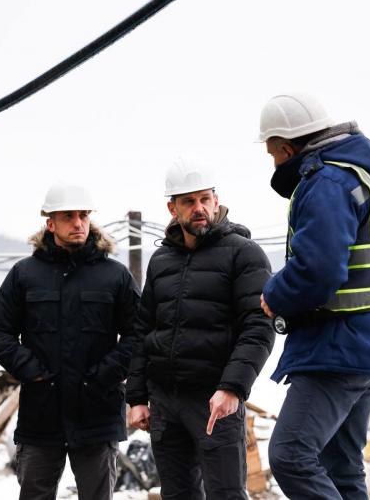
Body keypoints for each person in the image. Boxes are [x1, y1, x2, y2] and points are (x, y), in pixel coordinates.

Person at [257, 93, 370, 498]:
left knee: (291, 455)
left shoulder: (326, 182)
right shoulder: (368, 179)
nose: (274, 163)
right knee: (341, 468)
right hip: (369, 342)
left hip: (337, 347)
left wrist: (274, 294)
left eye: (272, 154)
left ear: (287, 148)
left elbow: (318, 270)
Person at [126, 158, 275, 500]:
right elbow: (143, 331)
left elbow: (258, 327)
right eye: (189, 201)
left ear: (216, 200)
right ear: (172, 208)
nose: (199, 208)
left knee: (226, 494)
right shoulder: (161, 261)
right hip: (165, 403)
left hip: (215, 401)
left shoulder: (244, 254)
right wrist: (136, 397)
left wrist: (232, 388)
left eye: (205, 199)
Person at [0, 183, 139, 500]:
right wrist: (32, 372)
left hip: (97, 412)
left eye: (83, 215)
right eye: (68, 216)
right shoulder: (24, 274)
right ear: (51, 223)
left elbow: (139, 334)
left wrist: (105, 375)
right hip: (41, 414)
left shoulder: (115, 276)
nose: (78, 223)